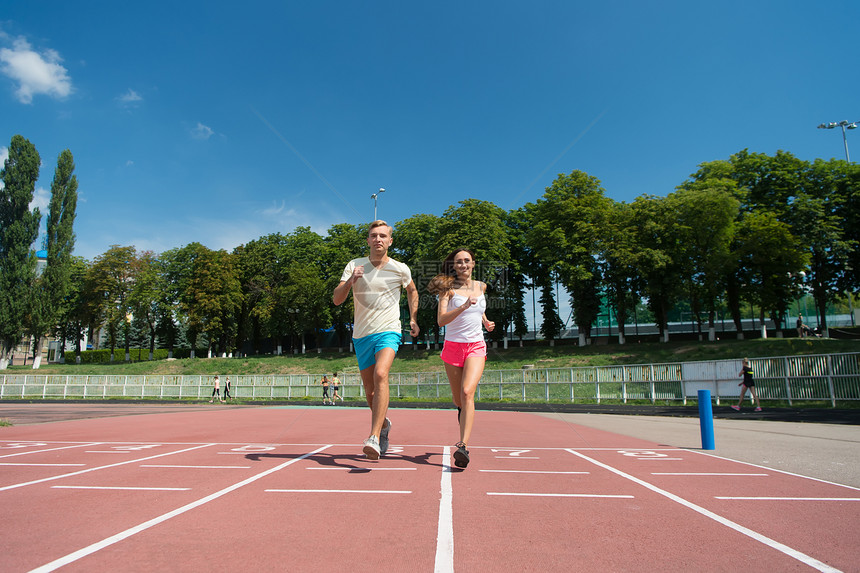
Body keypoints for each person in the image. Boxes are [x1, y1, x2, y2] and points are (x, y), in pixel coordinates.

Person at [333, 220, 419, 460]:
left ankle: (373, 436)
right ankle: (383, 425)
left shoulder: (400, 268)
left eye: (383, 236)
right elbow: (337, 300)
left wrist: (413, 318)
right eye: (374, 235)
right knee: (370, 393)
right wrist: (351, 281)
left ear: (390, 241)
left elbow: (412, 291)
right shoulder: (354, 265)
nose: (378, 239)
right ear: (368, 240)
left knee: (381, 374)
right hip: (361, 334)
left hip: (388, 330)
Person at [428, 248, 495, 469]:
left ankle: (463, 446)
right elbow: (441, 321)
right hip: (453, 348)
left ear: (473, 263)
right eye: (459, 262)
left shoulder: (481, 286)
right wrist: (464, 306)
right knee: (459, 400)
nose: (463, 264)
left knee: (468, 392)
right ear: (453, 266)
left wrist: (485, 321)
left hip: (476, 346)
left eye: (467, 261)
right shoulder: (447, 289)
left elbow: (480, 307)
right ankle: (461, 411)